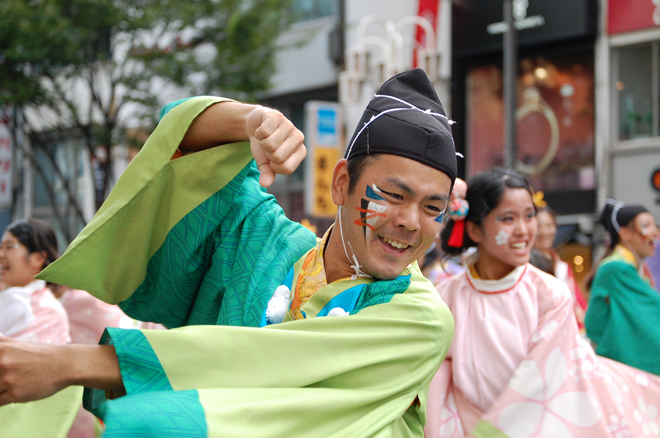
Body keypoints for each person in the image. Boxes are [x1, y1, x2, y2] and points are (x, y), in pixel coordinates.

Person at [0, 69, 455, 437]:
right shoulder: (265, 241)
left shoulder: (420, 317)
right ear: (341, 183)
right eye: (392, 195)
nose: (411, 222)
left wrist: (67, 363)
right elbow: (178, 141)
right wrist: (250, 121)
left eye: (433, 208)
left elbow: (254, 358)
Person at [425, 169, 660, 438]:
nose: (524, 230)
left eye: (529, 216)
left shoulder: (549, 294)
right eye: (508, 218)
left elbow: (545, 381)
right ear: (475, 230)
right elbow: (438, 386)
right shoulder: (444, 298)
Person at [0, 219, 83, 438]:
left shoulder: (17, 300)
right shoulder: (50, 305)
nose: (1, 255)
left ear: (37, 259)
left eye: (10, 247)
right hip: (42, 424)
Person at [585, 199, 660, 374]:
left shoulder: (625, 267)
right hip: (618, 370)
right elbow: (648, 318)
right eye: (646, 226)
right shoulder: (617, 268)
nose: (654, 232)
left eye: (654, 225)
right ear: (625, 234)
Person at [533, 205, 588, 330]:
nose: (544, 232)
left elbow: (577, 301)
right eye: (538, 227)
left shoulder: (562, 267)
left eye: (549, 225)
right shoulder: (525, 266)